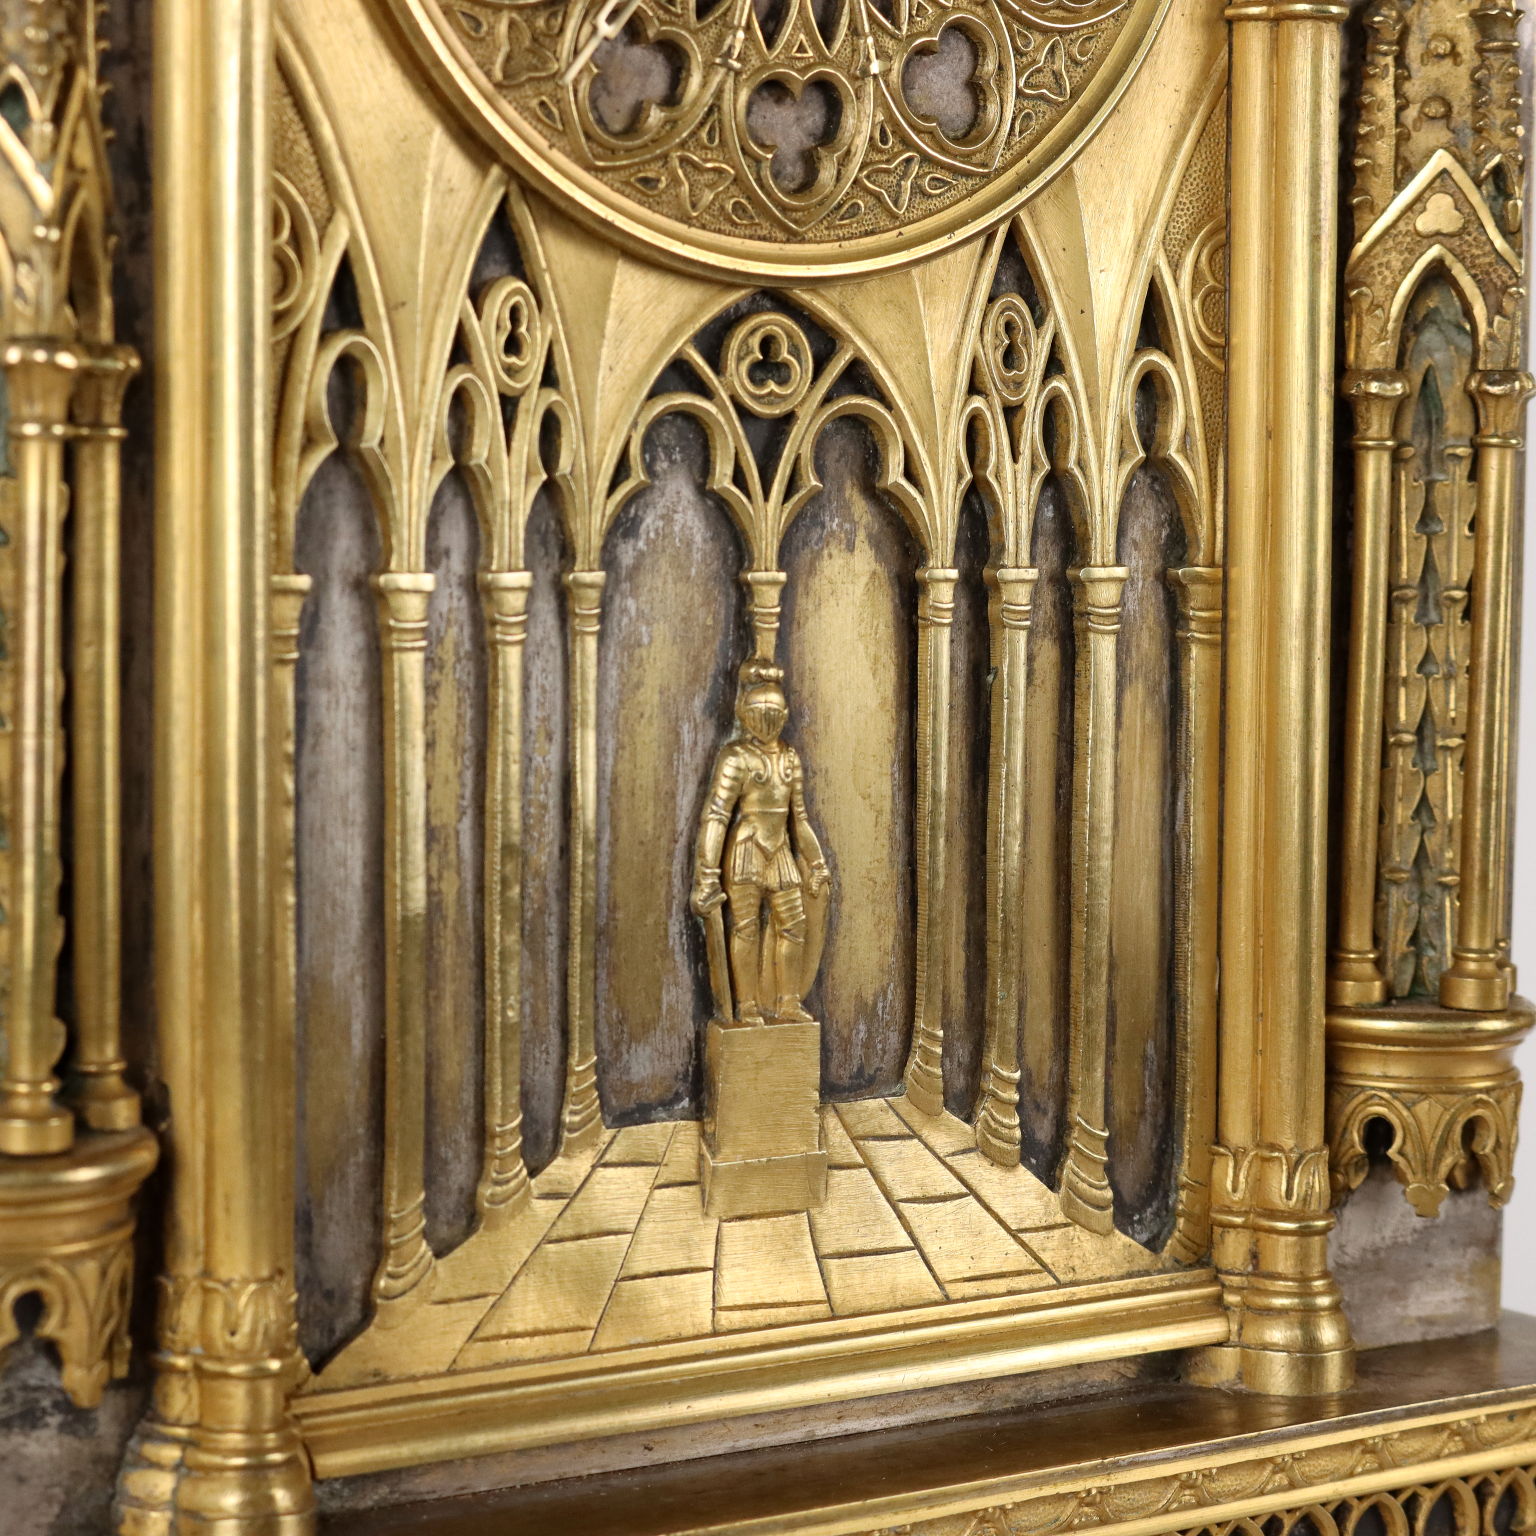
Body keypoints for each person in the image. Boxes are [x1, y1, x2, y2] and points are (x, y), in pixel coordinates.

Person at [692, 660, 830, 1023]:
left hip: (780, 850)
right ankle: (748, 1005)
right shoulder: (736, 758)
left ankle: (787, 1002)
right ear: (744, 714)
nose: (766, 719)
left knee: (794, 925)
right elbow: (717, 816)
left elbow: (799, 819)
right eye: (758, 712)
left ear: (784, 715)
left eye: (773, 713)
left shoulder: (789, 759)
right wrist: (707, 873)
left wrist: (816, 863)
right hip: (746, 851)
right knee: (746, 927)